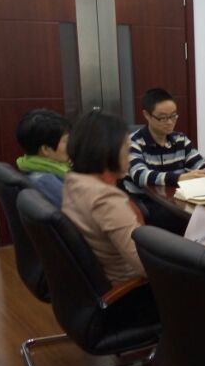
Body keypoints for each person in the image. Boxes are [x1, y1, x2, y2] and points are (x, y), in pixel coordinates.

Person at [62, 110, 147, 285]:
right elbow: (144, 265)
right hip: (132, 287)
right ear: (108, 151)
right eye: (127, 149)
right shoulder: (106, 199)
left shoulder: (74, 181)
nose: (130, 157)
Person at [126, 87, 205, 190]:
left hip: (173, 198)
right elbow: (140, 175)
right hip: (143, 199)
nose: (169, 122)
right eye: (162, 118)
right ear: (147, 115)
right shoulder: (132, 142)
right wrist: (180, 178)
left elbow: (201, 166)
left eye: (173, 116)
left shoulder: (180, 140)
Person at [14, 109, 70, 207]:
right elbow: (85, 210)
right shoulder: (45, 181)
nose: (71, 145)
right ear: (45, 149)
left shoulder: (31, 166)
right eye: (66, 141)